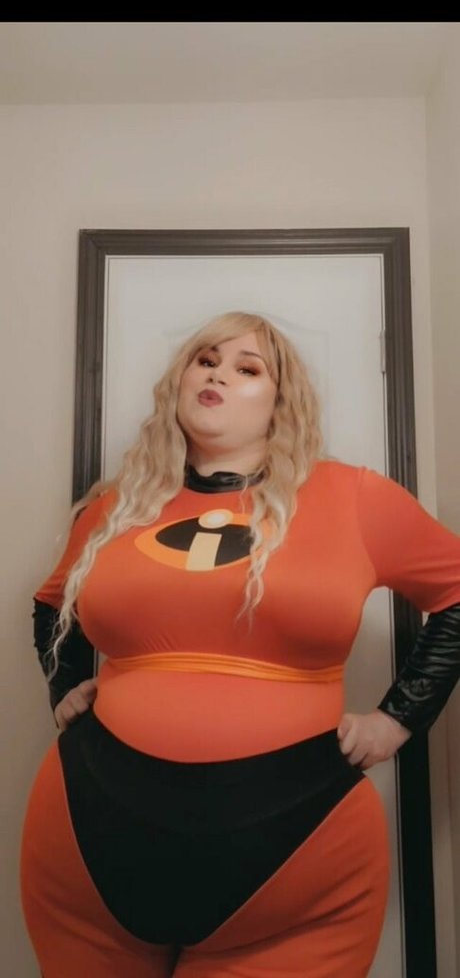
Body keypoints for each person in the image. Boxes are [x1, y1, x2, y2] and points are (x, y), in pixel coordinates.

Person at [20, 310, 460, 978]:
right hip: (88, 842)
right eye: (205, 360)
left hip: (295, 852)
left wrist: (400, 717)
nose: (219, 373)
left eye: (247, 367)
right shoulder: (117, 508)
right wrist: (65, 685)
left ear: (281, 402)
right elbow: (52, 603)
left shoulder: (353, 496)